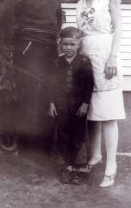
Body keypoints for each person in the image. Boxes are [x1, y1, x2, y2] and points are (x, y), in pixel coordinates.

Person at [0, 0, 62, 156]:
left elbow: (58, 20)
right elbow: (5, 18)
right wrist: (19, 45)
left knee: (47, 99)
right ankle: (28, 159)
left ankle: (42, 156)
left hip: (49, 51)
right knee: (29, 101)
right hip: (28, 51)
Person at [76, 0, 126, 187]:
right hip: (86, 60)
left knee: (108, 113)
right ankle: (95, 155)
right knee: (91, 111)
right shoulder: (79, 4)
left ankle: (111, 165)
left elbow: (118, 28)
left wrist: (113, 57)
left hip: (106, 59)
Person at [49, 26, 93, 184]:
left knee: (78, 135)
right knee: (63, 134)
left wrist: (85, 103)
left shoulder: (84, 61)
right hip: (61, 103)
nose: (68, 47)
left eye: (72, 44)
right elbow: (51, 84)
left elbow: (89, 84)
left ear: (78, 44)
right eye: (65, 44)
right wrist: (52, 103)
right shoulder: (57, 62)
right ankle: (66, 168)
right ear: (60, 44)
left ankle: (77, 168)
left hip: (78, 105)